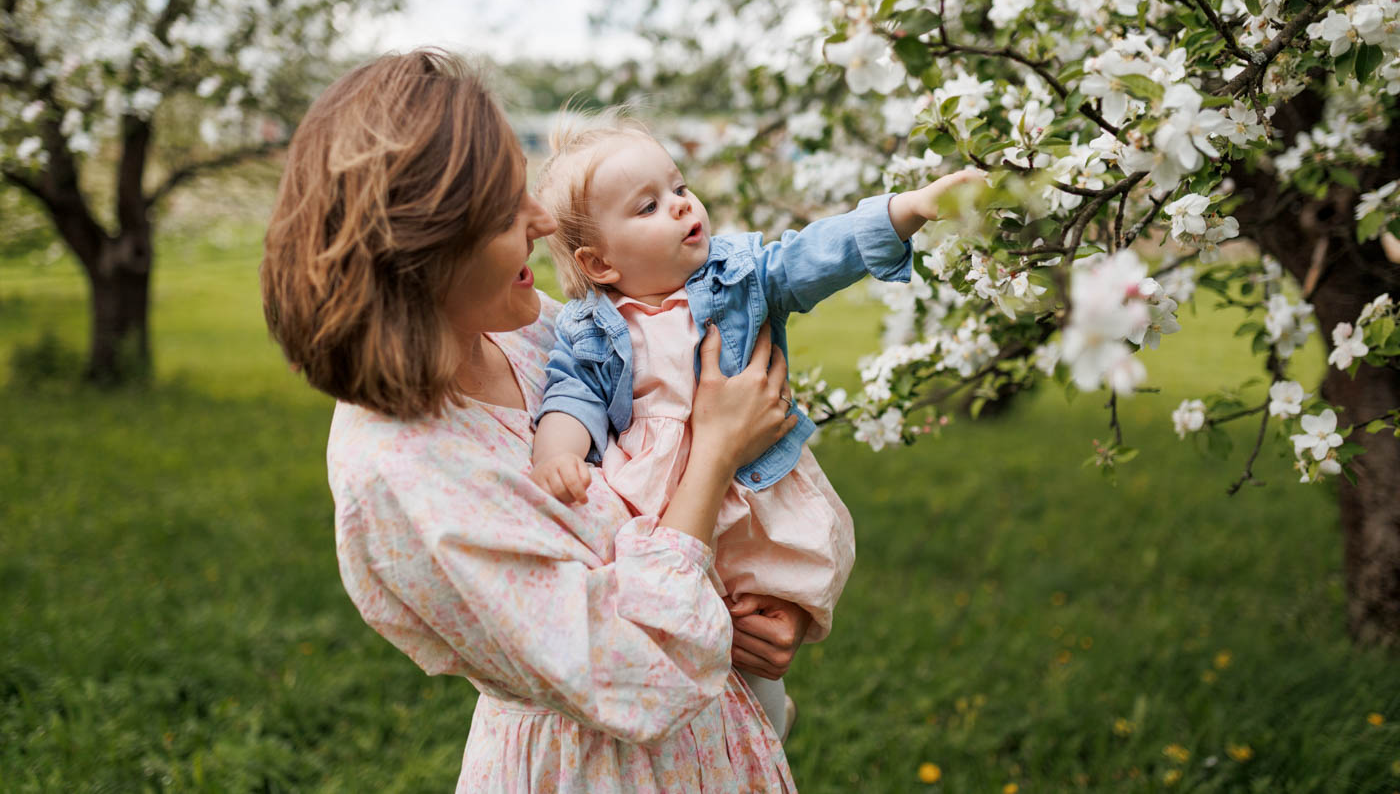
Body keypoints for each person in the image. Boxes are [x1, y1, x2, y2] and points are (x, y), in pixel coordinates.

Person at [260, 49, 812, 792]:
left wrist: (749, 612)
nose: (544, 220)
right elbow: (645, 670)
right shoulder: (406, 476)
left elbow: (660, 502)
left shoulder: (524, 332)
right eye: (504, 212)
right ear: (421, 254)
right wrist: (717, 448)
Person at [527, 114, 984, 738]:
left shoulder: (738, 277)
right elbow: (571, 396)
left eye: (680, 187)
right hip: (659, 512)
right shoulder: (587, 329)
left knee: (750, 630)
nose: (683, 206)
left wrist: (909, 208)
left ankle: (766, 724)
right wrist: (558, 455)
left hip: (747, 496)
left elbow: (814, 255)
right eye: (649, 206)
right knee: (681, 626)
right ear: (599, 261)